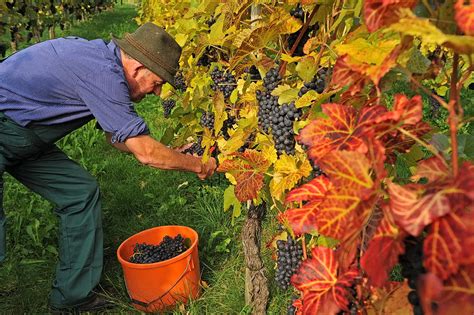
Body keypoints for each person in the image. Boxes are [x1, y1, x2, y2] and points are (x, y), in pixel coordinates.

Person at [0, 22, 217, 312]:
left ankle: (71, 297)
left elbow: (115, 137)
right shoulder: (102, 72)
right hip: (9, 127)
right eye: (158, 82)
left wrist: (171, 153)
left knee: (80, 193)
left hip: (24, 134)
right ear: (138, 68)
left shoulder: (102, 63)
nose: (156, 92)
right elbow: (146, 154)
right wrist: (198, 165)